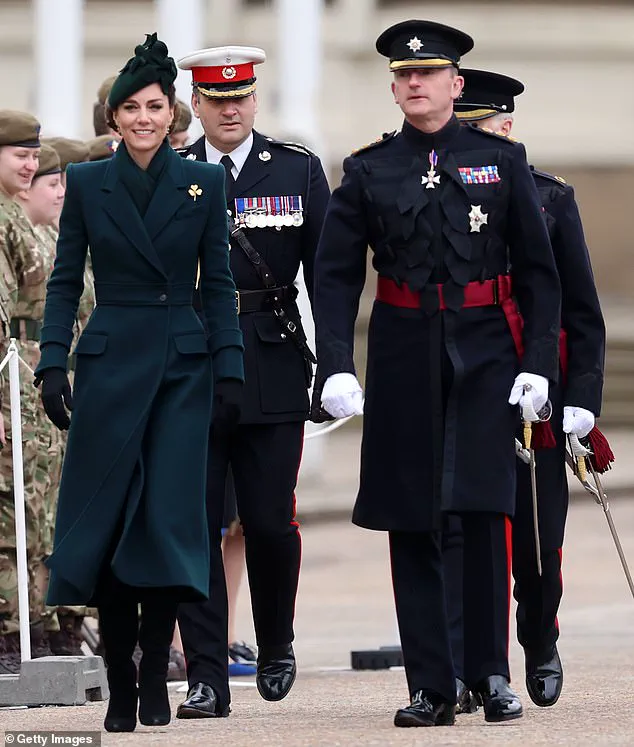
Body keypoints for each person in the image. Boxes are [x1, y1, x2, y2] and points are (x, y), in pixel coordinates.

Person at [312, 20, 562, 727]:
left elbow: (540, 276)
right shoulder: (368, 169)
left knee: (484, 513)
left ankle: (490, 672)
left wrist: (539, 365)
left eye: (430, 73)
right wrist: (334, 363)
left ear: (456, 84)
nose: (416, 82)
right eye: (404, 74)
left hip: (486, 352)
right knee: (412, 517)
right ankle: (430, 682)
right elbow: (334, 278)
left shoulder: (499, 160)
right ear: (394, 87)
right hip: (401, 345)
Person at [34, 33, 244, 732]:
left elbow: (217, 284)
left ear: (171, 113)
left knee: (166, 525)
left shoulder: (205, 182)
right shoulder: (91, 184)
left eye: (155, 106)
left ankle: (158, 668)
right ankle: (121, 677)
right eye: (131, 108)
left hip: (183, 369)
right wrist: (52, 362)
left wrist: (231, 367)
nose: (144, 118)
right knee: (111, 524)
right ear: (115, 118)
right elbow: (65, 283)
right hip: (111, 363)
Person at [175, 45, 330, 717]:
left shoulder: (294, 169)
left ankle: (276, 639)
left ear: (255, 99)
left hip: (269, 360)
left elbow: (328, 276)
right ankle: (207, 672)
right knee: (196, 524)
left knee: (268, 520)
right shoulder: (170, 174)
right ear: (198, 105)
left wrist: (339, 370)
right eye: (216, 98)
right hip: (192, 366)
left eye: (240, 95)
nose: (229, 107)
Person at [451, 68, 606, 708]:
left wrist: (582, 400)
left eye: (479, 128)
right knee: (462, 533)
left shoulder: (550, 198)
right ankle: (466, 666)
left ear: (506, 128)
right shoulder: (436, 195)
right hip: (469, 383)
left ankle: (540, 635)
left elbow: (582, 311)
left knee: (539, 539)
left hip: (538, 393)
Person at [0, 111, 48, 672]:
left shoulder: (15, 216)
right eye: (19, 154)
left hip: (28, 371)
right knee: (12, 511)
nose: (30, 164)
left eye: (33, 155)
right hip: (9, 374)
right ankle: (12, 631)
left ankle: (27, 627)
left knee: (31, 509)